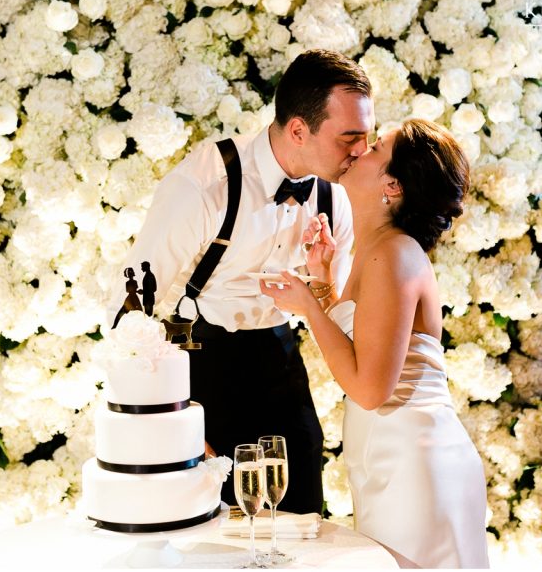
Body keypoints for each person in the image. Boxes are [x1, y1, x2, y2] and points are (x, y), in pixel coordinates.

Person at [108, 49, 375, 514]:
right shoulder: (204, 185)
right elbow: (127, 312)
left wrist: (321, 279)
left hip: (281, 361)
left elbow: (334, 313)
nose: (361, 151)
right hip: (200, 368)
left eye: (366, 137)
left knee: (303, 518)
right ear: (298, 130)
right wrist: (171, 421)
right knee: (212, 534)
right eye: (349, 137)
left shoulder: (337, 197)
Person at [261, 118, 489, 567]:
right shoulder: (380, 248)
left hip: (414, 466)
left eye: (377, 147)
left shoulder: (395, 253)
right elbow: (360, 350)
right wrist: (325, 283)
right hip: (391, 459)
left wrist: (309, 306)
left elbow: (369, 388)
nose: (360, 147)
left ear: (393, 184)